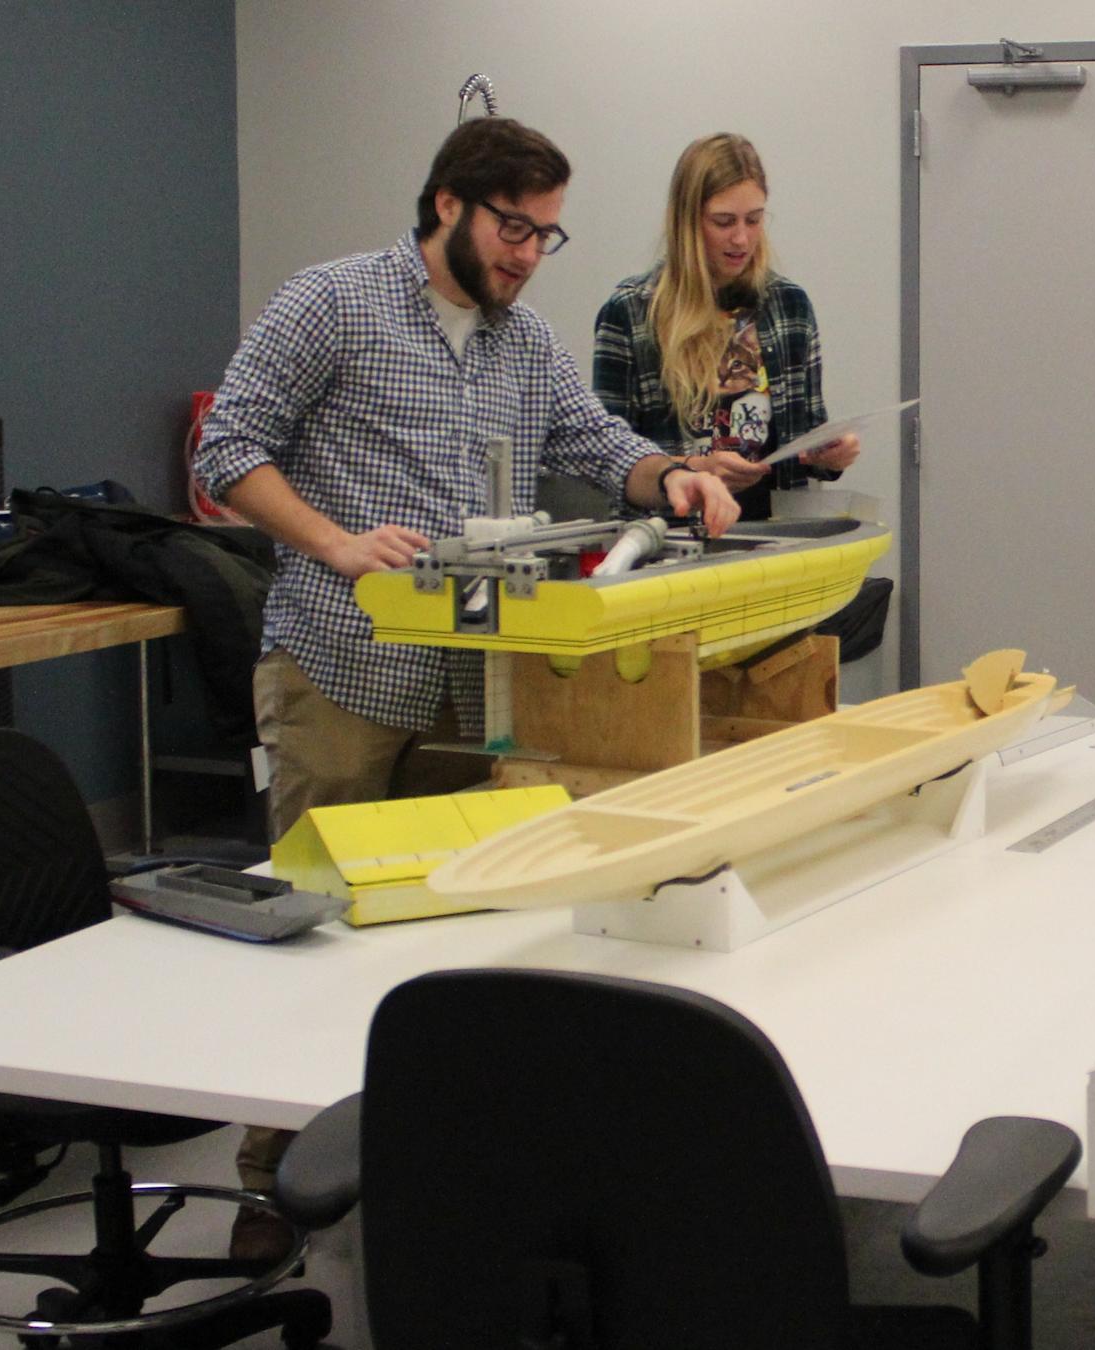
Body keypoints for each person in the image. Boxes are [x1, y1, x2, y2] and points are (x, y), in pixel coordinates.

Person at [191, 116, 735, 1258]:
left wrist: (675, 471)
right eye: (512, 227)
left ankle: (434, 1163)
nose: (529, 254)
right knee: (314, 924)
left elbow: (596, 439)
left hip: (472, 678)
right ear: (447, 204)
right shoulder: (332, 302)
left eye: (548, 234)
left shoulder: (521, 342)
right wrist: (335, 542)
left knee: (459, 924)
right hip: (342, 663)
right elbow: (227, 449)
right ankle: (269, 1182)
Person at [592, 133, 860, 522]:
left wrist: (832, 456)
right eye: (723, 222)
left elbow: (805, 441)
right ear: (687, 221)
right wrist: (694, 468)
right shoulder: (631, 313)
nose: (741, 238)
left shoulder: (790, 307)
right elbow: (606, 457)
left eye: (754, 220)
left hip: (774, 541)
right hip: (673, 545)